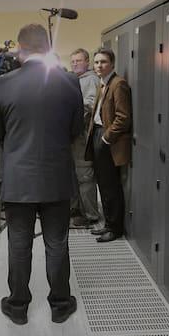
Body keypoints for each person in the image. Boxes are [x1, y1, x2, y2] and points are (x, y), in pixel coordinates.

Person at [0, 24, 83, 325]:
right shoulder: (70, 81)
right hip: (56, 177)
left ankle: (18, 306)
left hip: (19, 179)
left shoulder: (2, 84)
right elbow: (76, 129)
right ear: (48, 47)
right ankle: (60, 305)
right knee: (57, 243)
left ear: (20, 49)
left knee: (19, 244)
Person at [84, 48, 131, 243]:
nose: (99, 66)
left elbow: (123, 118)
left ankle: (115, 228)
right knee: (103, 184)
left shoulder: (118, 84)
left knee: (111, 186)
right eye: (96, 62)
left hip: (107, 139)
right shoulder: (103, 83)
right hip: (97, 134)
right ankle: (108, 223)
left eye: (103, 62)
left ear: (112, 64)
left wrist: (105, 138)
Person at [68, 48, 102, 230]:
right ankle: (77, 210)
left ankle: (90, 215)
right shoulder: (74, 79)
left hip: (83, 136)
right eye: (73, 61)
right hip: (73, 136)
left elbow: (89, 106)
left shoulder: (91, 80)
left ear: (87, 62)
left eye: (78, 61)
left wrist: (68, 109)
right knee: (74, 175)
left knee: (85, 176)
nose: (75, 64)